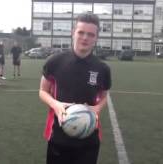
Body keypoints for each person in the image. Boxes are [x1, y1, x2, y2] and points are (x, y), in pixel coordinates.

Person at [39, 13, 112, 164]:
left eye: (90, 34)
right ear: (73, 32)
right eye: (81, 32)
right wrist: (56, 105)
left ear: (96, 38)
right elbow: (42, 91)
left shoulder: (102, 68)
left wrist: (97, 108)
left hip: (89, 138)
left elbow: (104, 95)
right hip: (59, 137)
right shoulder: (55, 61)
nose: (85, 37)